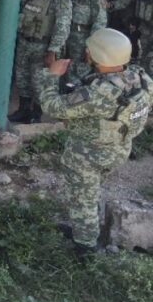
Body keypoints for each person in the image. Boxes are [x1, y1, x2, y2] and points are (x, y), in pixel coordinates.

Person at [36, 28, 152, 257]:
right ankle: (86, 230)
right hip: (119, 147)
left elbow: (52, 106)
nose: (87, 53)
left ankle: (86, 248)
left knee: (83, 198)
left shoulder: (100, 93)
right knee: (91, 192)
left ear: (100, 55)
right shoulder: (141, 78)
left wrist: (52, 76)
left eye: (90, 50)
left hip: (88, 154)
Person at [10, 0, 72, 124]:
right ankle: (23, 109)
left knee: (39, 83)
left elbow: (62, 27)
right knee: (22, 77)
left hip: (42, 45)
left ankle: (36, 114)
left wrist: (53, 51)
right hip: (25, 41)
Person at [62, 0, 107, 84]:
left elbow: (100, 21)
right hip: (66, 33)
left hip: (82, 37)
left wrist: (91, 46)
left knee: (78, 71)